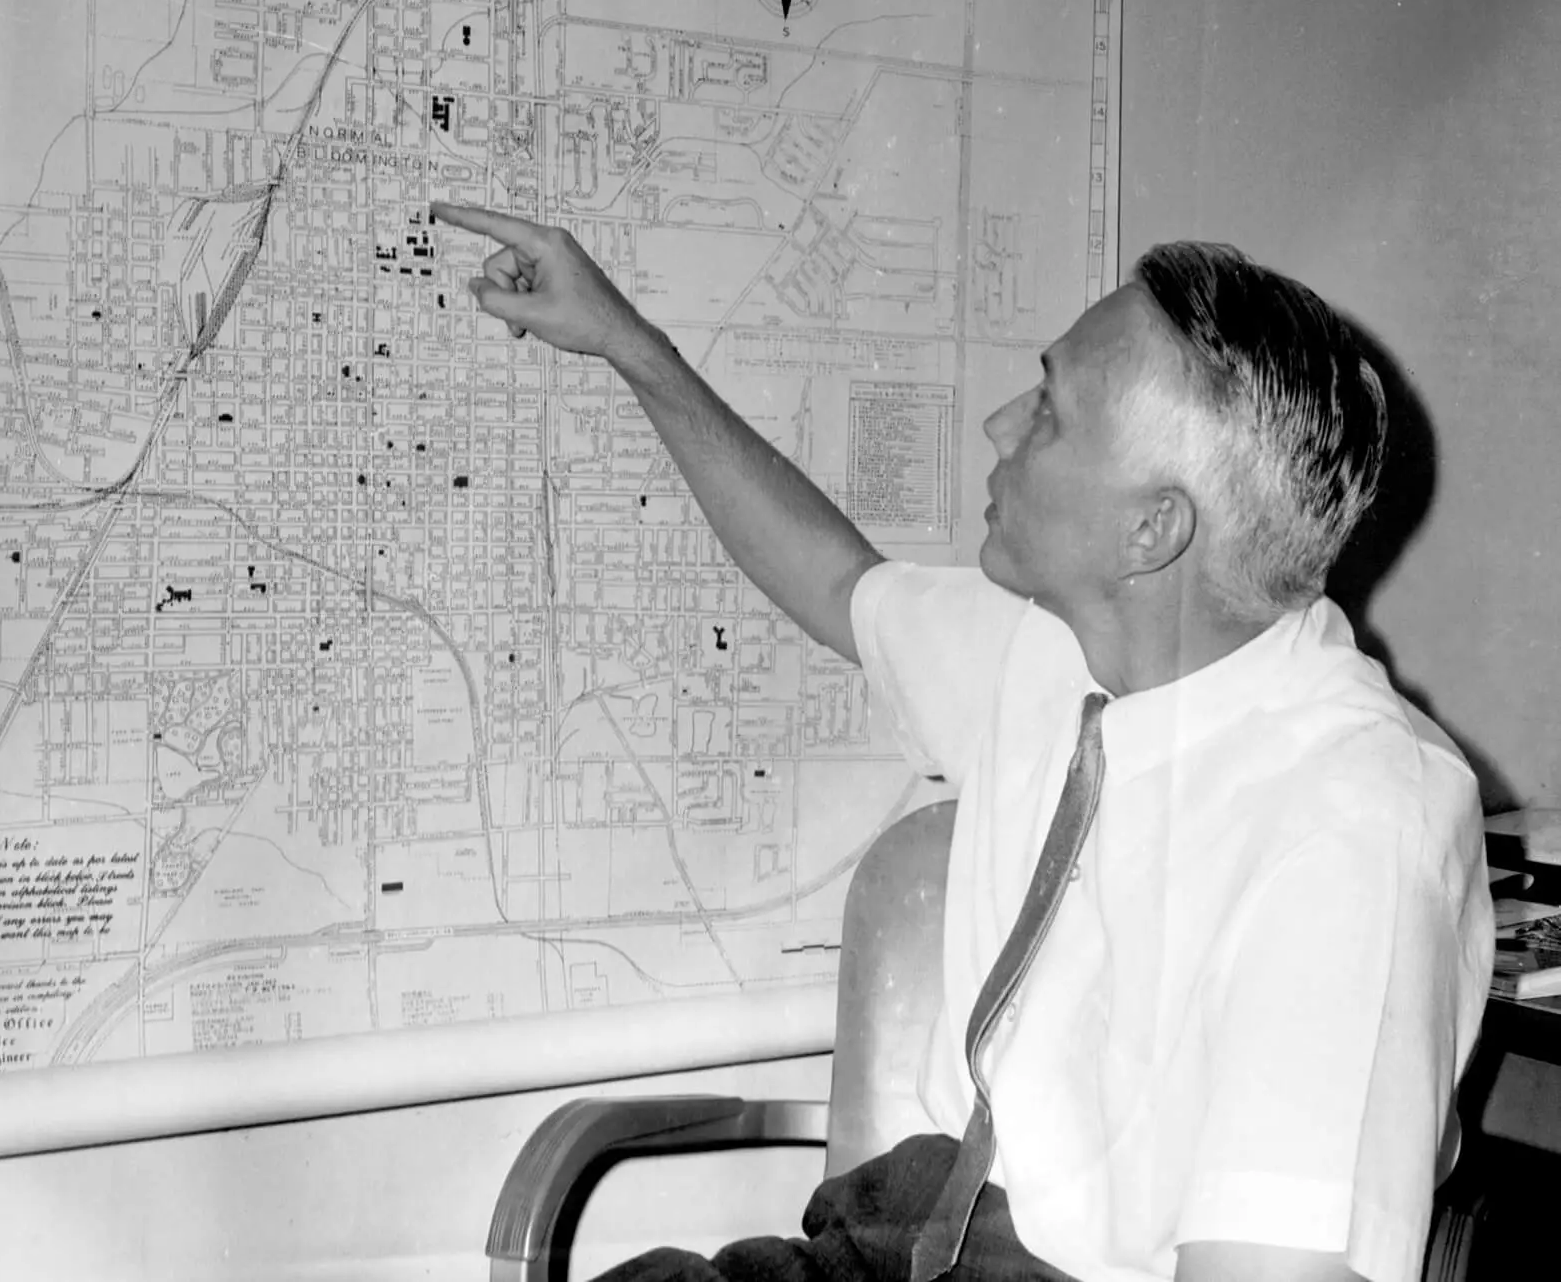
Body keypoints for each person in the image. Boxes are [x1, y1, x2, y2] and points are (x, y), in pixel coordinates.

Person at [433, 202, 1493, 1282]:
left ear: (1150, 530)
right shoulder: (1067, 644)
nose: (998, 425)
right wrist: (630, 345)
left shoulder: (1354, 825)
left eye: (1047, 412)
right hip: (886, 1241)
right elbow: (835, 581)